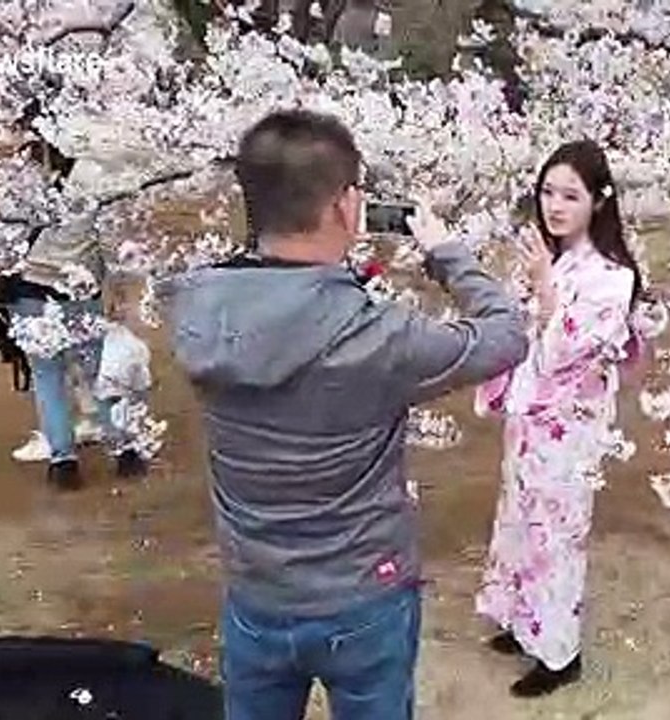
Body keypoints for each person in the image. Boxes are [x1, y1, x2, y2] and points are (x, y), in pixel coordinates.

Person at [164, 109, 528, 720]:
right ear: (344, 204)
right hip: (364, 592)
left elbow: (276, 310)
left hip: (256, 591)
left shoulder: (196, 308)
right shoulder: (377, 336)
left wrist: (340, 281)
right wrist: (445, 253)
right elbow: (504, 336)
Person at [473, 140, 645, 698]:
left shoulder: (612, 276)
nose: (556, 206)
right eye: (548, 192)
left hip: (570, 427)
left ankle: (559, 650)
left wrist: (545, 287)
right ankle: (523, 621)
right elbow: (522, 332)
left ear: (599, 201)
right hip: (531, 418)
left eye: (571, 195)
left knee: (556, 534)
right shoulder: (558, 257)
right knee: (519, 519)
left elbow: (566, 348)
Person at [0, 142, 146, 490]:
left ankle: (62, 462)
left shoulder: (15, 185)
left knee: (47, 378)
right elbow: (108, 241)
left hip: (29, 293)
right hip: (81, 290)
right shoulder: (90, 180)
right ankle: (124, 450)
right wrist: (117, 287)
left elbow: (2, 242)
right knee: (100, 371)